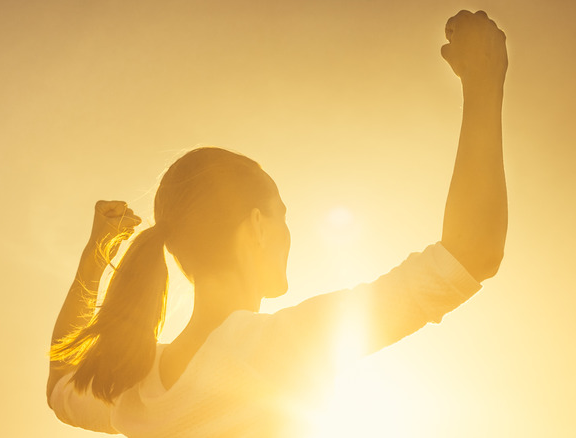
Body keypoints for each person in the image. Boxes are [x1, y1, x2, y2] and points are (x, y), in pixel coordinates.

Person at [46, 10, 508, 437]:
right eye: (282, 216)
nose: (290, 235)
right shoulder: (273, 349)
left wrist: (96, 256)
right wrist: (484, 81)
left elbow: (59, 383)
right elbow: (469, 255)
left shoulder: (134, 388)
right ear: (257, 226)